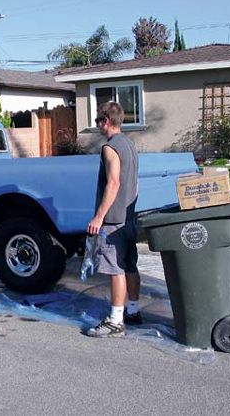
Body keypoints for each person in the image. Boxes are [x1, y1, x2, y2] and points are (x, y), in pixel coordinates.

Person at [86, 101, 141, 338]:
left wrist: (99, 216)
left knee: (115, 269)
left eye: (99, 121)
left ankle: (116, 322)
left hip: (113, 220)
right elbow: (135, 185)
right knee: (130, 264)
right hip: (128, 216)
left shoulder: (110, 147)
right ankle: (133, 310)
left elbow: (114, 182)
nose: (98, 125)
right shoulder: (130, 145)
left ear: (106, 121)